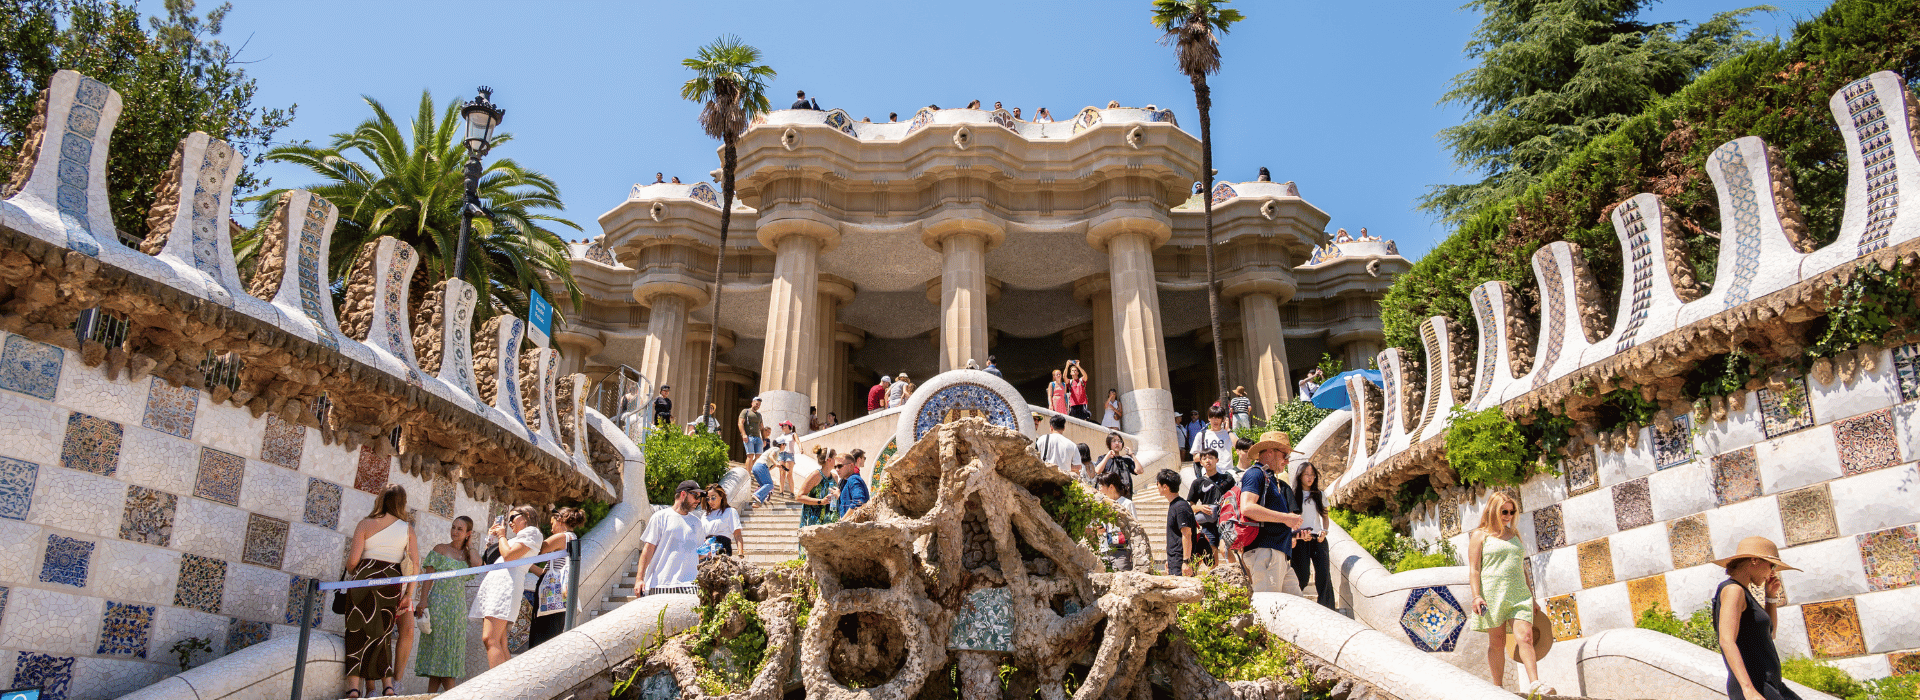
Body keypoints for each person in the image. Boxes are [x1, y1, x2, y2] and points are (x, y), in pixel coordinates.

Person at [1469, 491, 1552, 694]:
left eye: (1512, 512)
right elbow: (1474, 569)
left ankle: (1535, 684)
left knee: (1525, 637)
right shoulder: (1480, 535)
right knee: (1497, 642)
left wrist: (1531, 597)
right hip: (1492, 595)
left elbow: (1521, 567)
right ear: (1493, 510)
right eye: (1504, 511)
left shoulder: (1514, 535)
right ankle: (1498, 687)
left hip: (1518, 594)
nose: (1508, 516)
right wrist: (1476, 596)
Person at [343, 485, 418, 697]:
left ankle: (354, 689)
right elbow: (414, 566)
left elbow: (352, 562)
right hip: (390, 584)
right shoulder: (407, 529)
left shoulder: (365, 523)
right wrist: (408, 595)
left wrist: (354, 570)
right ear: (401, 503)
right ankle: (388, 687)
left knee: (356, 632)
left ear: (380, 500)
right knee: (382, 635)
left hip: (363, 581)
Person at [1715, 537, 1799, 700]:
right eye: (1771, 565)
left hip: (1769, 685)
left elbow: (1770, 634)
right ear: (1754, 560)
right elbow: (1726, 640)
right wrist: (1749, 690)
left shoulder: (1744, 592)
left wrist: (1770, 597)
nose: (1772, 573)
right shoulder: (1734, 590)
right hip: (1755, 687)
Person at [471, 505, 540, 669]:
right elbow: (494, 559)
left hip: (506, 587)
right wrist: (494, 540)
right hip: (498, 586)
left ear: (527, 515)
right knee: (500, 641)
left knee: (490, 638)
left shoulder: (532, 533)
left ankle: (497, 688)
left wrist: (502, 536)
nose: (509, 523)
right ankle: (508, 686)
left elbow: (508, 556)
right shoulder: (518, 538)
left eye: (512, 517)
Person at [414, 516, 476, 692]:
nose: (454, 532)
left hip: (457, 610)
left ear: (468, 534)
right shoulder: (440, 549)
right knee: (439, 655)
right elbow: (428, 578)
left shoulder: (468, 556)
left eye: (460, 529)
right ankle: (452, 695)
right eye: (453, 527)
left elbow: (479, 564)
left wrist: (470, 545)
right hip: (438, 606)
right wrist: (423, 600)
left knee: (448, 655)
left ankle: (431, 696)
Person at [1238, 432, 1303, 593]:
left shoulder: (1270, 478)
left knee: (1295, 606)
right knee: (1270, 607)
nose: (1287, 460)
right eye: (1285, 455)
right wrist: (1286, 518)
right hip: (1266, 553)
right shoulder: (1255, 474)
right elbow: (1247, 507)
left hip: (1276, 553)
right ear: (1269, 452)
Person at [528, 507, 586, 648]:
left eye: (552, 524)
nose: (551, 529)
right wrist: (526, 565)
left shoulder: (564, 536)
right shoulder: (572, 538)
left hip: (552, 603)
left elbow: (536, 550)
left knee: (544, 642)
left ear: (560, 520)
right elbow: (545, 574)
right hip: (558, 601)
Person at [638, 482, 706, 597]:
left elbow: (698, 553)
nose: (698, 501)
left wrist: (706, 552)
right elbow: (648, 549)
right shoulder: (660, 517)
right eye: (696, 496)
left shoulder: (697, 523)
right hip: (661, 584)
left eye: (700, 497)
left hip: (690, 585)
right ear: (683, 494)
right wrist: (639, 579)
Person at [1292, 462, 1334, 609]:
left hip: (1318, 538)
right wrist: (1296, 535)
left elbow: (1325, 518)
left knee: (1324, 575)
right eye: (1306, 475)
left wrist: (1325, 531)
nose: (1310, 478)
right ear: (1300, 476)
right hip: (1301, 538)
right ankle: (1295, 605)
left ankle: (1328, 608)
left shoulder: (1319, 494)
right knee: (1302, 576)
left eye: (1312, 475)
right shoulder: (1292, 494)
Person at [1186, 449, 1234, 566]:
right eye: (1204, 458)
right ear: (1201, 462)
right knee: (1212, 558)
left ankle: (1237, 574)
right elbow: (1190, 505)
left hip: (1225, 521)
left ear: (1217, 460)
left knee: (1225, 549)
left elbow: (1236, 498)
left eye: (1211, 457)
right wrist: (1200, 508)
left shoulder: (1227, 479)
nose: (1208, 461)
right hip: (1207, 524)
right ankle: (1214, 581)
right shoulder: (1197, 483)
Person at [1158, 469, 1197, 576]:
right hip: (1175, 560)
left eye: (1158, 484)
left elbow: (1187, 534)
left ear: (1165, 487)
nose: (1157, 487)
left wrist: (1186, 562)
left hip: (1181, 561)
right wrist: (1169, 560)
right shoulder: (1175, 505)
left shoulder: (1181, 506)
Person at [1096, 470, 1135, 571]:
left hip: (1121, 551)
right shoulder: (1101, 505)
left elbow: (1135, 529)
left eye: (1101, 486)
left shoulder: (1126, 504)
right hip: (1104, 550)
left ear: (1111, 487)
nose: (1099, 489)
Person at [1090, 431, 1140, 496]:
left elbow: (1139, 471)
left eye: (1119, 441)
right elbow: (1097, 471)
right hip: (1109, 496)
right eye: (1114, 441)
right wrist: (1107, 456)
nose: (1117, 443)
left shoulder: (1126, 460)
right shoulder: (1103, 458)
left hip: (1125, 496)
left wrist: (1132, 455)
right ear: (1109, 444)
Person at [703, 484, 743, 557]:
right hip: (707, 552)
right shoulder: (705, 515)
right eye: (708, 498)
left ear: (721, 496)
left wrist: (740, 552)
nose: (710, 501)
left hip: (723, 549)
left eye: (713, 497)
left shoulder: (730, 511)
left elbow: (737, 534)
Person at [835, 449, 870, 517]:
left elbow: (859, 502)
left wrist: (842, 522)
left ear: (851, 466)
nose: (837, 469)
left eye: (839, 466)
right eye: (835, 467)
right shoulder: (846, 481)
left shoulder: (853, 479)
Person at [773, 421, 798, 496]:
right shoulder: (781, 435)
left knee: (789, 474)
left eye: (784, 425)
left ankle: (792, 492)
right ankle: (781, 492)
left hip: (789, 454)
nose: (783, 427)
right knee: (781, 473)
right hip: (781, 454)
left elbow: (798, 441)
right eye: (782, 426)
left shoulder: (793, 434)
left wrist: (801, 448)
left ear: (789, 426)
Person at [749, 441, 777, 507]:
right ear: (782, 445)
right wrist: (776, 463)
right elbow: (771, 456)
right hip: (761, 466)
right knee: (770, 484)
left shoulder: (771, 450)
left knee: (764, 486)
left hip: (756, 466)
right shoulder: (776, 449)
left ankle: (756, 503)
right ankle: (756, 494)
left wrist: (774, 465)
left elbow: (772, 463)